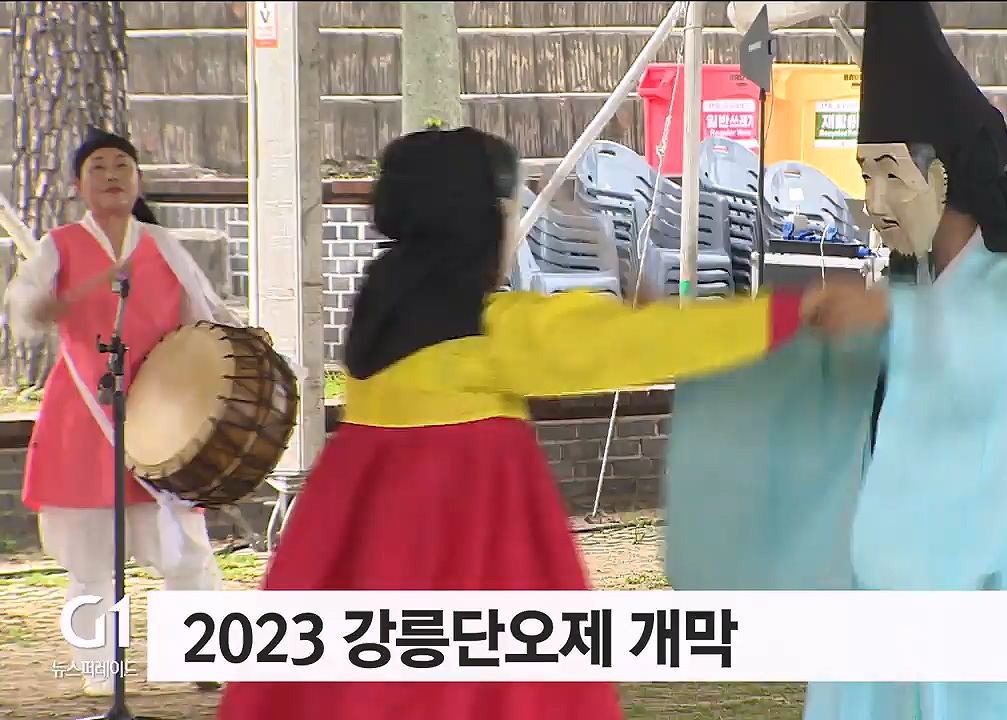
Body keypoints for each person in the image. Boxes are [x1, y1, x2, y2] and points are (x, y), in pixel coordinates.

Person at [216, 127, 884, 720]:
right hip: (473, 566)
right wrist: (791, 313)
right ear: (478, 223)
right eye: (509, 210)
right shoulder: (489, 332)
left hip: (366, 560)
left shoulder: (377, 321)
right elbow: (631, 345)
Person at [662, 3, 1007, 719]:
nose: (873, 202)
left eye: (891, 174)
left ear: (947, 177)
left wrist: (892, 321)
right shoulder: (911, 289)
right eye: (864, 175)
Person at [5, 128, 234, 696]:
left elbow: (204, 317)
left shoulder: (163, 244)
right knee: (91, 557)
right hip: (86, 411)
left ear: (138, 180)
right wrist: (74, 294)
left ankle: (198, 656)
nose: (112, 175)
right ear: (79, 185)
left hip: (163, 413)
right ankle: (101, 669)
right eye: (99, 167)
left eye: (122, 166)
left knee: (185, 544)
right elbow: (26, 312)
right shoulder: (59, 246)